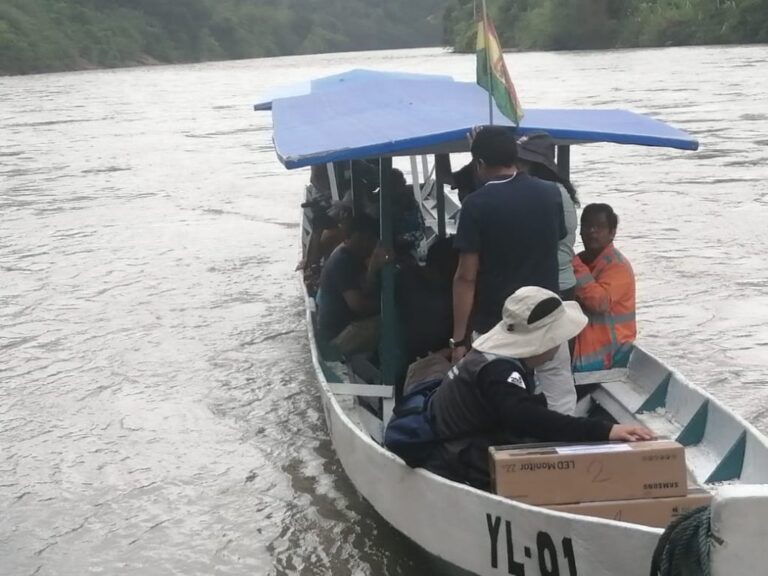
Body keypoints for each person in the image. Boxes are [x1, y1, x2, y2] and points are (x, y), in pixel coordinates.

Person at [416, 287, 653, 489]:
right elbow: (528, 418)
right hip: (457, 458)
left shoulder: (488, 357)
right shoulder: (500, 372)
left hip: (455, 441)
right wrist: (606, 430)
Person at [451, 126, 565, 363]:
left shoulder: (475, 205)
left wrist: (459, 340)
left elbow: (466, 277)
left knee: (501, 383)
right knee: (556, 385)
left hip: (500, 326)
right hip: (547, 319)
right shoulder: (551, 193)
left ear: (479, 163)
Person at [515, 132, 581, 414]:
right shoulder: (559, 192)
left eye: (521, 162)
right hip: (559, 284)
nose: (516, 167)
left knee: (551, 367)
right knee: (553, 367)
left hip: (552, 287)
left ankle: (554, 421)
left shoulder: (547, 194)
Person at [572, 203, 637, 372]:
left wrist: (574, 265)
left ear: (612, 233)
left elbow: (599, 302)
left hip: (610, 356)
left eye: (599, 227)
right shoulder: (581, 261)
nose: (592, 231)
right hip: (588, 352)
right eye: (587, 226)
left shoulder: (618, 266)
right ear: (580, 231)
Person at [316, 214, 384, 356]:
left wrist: (372, 269)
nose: (365, 244)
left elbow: (365, 288)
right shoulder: (342, 261)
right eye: (361, 239)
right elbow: (358, 305)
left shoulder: (356, 257)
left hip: (347, 327)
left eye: (370, 239)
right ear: (349, 237)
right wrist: (388, 306)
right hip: (337, 338)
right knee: (391, 322)